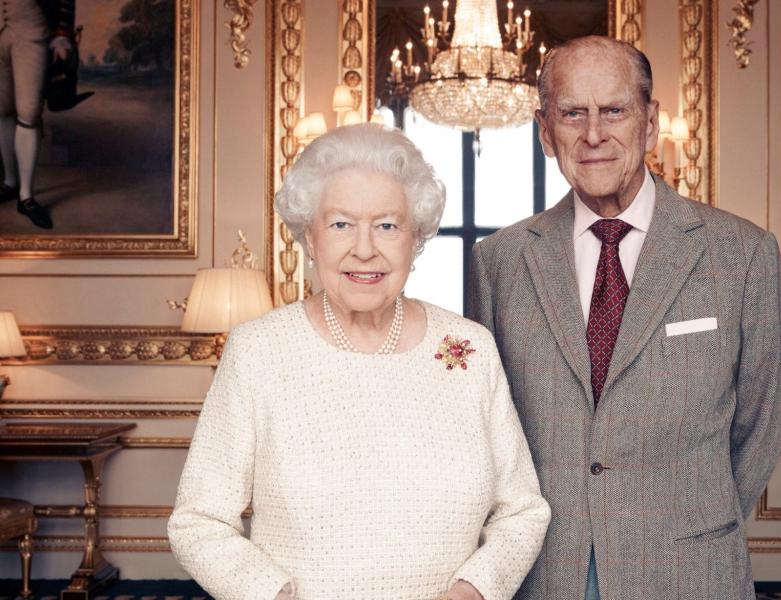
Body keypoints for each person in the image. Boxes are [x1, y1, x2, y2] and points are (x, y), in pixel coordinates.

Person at [467, 36, 781, 599]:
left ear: (649, 122)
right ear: (547, 131)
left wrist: (687, 522)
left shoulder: (741, 254)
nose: (593, 134)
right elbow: (486, 429)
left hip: (689, 569)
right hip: (546, 573)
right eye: (573, 113)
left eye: (614, 110)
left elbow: (760, 422)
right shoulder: (500, 262)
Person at [168, 123, 550, 600]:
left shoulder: (470, 349)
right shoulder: (258, 351)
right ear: (310, 237)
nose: (364, 248)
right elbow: (198, 521)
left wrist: (471, 592)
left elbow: (522, 510)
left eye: (387, 225)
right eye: (341, 224)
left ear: (417, 239)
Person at [0, 0, 77, 230]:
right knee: (3, 110)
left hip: (33, 32)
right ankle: (10, 182)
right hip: (4, 34)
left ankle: (26, 197)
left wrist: (62, 33)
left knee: (29, 114)